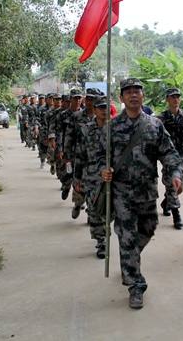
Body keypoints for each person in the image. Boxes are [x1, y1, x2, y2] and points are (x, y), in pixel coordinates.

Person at [100, 77, 183, 309]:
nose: (133, 95)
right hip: (122, 193)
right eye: (128, 92)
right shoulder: (112, 127)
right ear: (122, 97)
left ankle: (130, 260)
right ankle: (135, 284)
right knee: (127, 237)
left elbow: (169, 153)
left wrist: (175, 173)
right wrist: (102, 171)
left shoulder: (154, 125)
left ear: (143, 96)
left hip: (147, 192)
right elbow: (98, 156)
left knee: (148, 229)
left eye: (137, 91)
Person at [74, 95, 108, 259]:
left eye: (106, 107)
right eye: (100, 107)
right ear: (94, 110)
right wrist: (77, 178)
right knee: (95, 211)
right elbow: (80, 156)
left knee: (112, 210)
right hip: (92, 177)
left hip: (112, 177)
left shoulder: (116, 129)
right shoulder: (86, 130)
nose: (104, 110)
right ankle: (101, 242)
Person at [64, 88, 100, 219]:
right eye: (88, 99)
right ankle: (78, 204)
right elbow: (69, 137)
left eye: (93, 99)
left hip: (96, 159)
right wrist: (67, 156)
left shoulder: (102, 117)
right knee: (79, 184)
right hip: (79, 157)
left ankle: (91, 212)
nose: (90, 102)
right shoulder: (76, 117)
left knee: (94, 187)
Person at [156, 87, 183, 229]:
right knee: (172, 183)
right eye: (173, 97)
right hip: (168, 156)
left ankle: (166, 203)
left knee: (179, 183)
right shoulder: (161, 118)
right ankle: (176, 214)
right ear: (167, 99)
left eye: (178, 97)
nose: (176, 99)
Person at [57, 88, 83, 200]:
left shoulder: (85, 114)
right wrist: (60, 149)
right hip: (68, 149)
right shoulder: (63, 115)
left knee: (80, 175)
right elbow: (59, 133)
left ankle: (78, 201)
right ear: (70, 99)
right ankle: (66, 186)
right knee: (68, 172)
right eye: (75, 98)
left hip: (81, 151)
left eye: (79, 98)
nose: (77, 100)